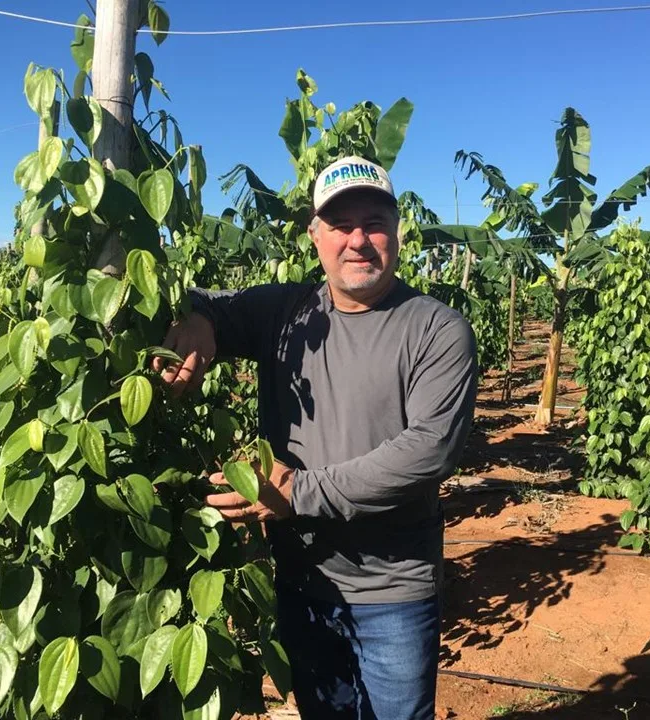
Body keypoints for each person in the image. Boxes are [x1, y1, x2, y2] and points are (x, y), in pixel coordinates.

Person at [154, 155, 477, 720]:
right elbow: (210, 304)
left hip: (393, 592)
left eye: (373, 222)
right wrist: (202, 320)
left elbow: (430, 450)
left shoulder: (435, 328)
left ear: (398, 231)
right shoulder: (286, 312)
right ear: (314, 235)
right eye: (339, 225)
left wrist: (294, 492)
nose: (358, 240)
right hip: (302, 584)